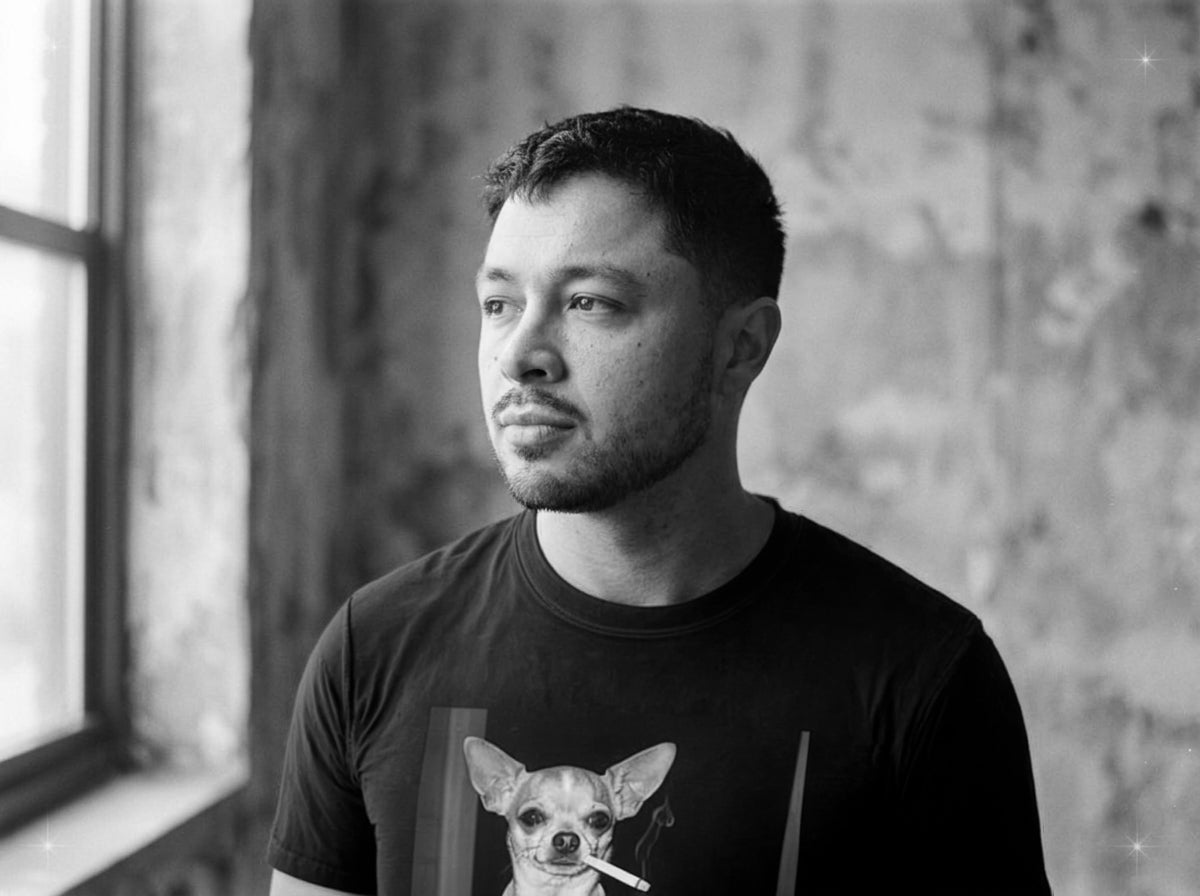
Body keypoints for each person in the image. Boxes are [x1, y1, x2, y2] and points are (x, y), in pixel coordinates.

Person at [267, 107, 1051, 896]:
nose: (519, 355)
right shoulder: (375, 649)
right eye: (499, 304)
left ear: (740, 347)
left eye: (590, 303)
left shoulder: (922, 676)